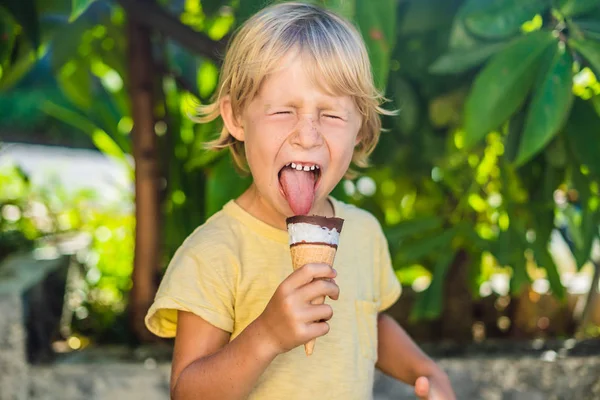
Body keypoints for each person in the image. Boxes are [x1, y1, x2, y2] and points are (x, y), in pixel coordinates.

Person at [145, 2, 456, 399]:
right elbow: (187, 392)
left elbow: (367, 322)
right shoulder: (215, 253)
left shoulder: (363, 233)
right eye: (283, 111)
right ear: (236, 117)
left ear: (361, 128)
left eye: (331, 116)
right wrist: (266, 335)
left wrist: (423, 370)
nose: (307, 135)